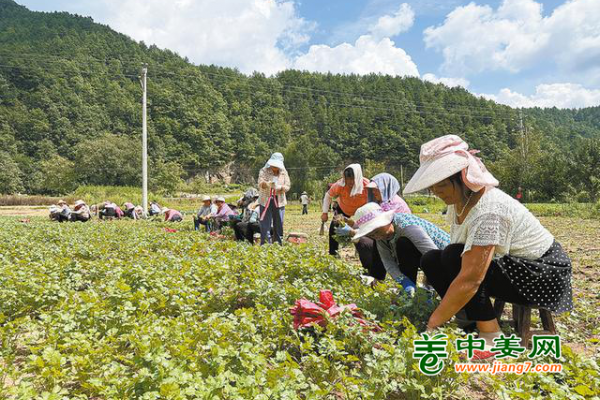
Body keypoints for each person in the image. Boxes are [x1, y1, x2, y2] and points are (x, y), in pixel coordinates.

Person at [403, 135, 573, 357]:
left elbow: (471, 278)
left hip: (542, 272)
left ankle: (491, 334)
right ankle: (470, 320)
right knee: (433, 259)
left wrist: (432, 324)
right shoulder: (460, 202)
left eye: (442, 185)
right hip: (513, 266)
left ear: (464, 178)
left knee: (454, 258)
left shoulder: (490, 209)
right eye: (433, 187)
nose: (437, 191)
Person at [350, 203, 450, 295]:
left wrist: (431, 284)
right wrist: (404, 282)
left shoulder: (407, 227)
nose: (375, 236)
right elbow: (388, 262)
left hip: (446, 257)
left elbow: (432, 255)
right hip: (427, 257)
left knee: (403, 244)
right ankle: (412, 290)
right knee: (402, 246)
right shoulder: (381, 237)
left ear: (385, 220)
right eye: (371, 234)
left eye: (376, 230)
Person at [350, 173, 412, 280]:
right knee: (367, 240)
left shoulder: (394, 204)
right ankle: (374, 273)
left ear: (385, 188)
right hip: (388, 238)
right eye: (372, 190)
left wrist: (353, 232)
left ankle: (376, 275)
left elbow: (383, 229)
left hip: (400, 241)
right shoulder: (382, 202)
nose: (374, 192)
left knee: (371, 241)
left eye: (376, 189)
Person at [321, 164, 369, 256]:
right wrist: (324, 213)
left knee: (365, 229)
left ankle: (362, 251)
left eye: (352, 179)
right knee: (334, 227)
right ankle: (333, 253)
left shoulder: (366, 185)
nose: (350, 182)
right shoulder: (340, 185)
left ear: (358, 177)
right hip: (344, 209)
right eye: (348, 179)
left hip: (362, 211)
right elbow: (328, 196)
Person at [257, 152, 291, 245]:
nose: (274, 167)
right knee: (265, 223)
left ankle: (278, 244)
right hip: (265, 200)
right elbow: (260, 183)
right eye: (273, 165)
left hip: (279, 201)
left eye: (276, 165)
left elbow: (287, 186)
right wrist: (267, 184)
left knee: (279, 223)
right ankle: (265, 245)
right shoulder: (264, 170)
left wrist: (280, 187)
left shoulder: (284, 172)